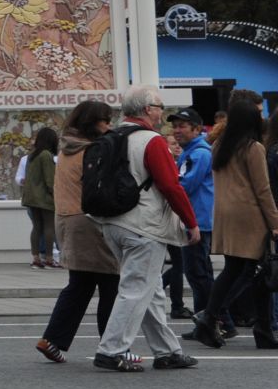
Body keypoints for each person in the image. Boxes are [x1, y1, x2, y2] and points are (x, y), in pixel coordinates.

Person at [89, 86, 200, 372]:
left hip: (113, 222)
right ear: (147, 109)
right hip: (144, 226)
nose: (162, 111)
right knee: (137, 289)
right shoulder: (151, 141)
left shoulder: (112, 137)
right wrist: (190, 221)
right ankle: (111, 349)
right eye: (159, 106)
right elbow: (170, 185)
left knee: (149, 291)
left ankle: (167, 351)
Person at [184, 90, 278, 349]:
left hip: (225, 213)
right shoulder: (253, 147)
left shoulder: (219, 146)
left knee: (237, 269)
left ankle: (224, 320)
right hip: (250, 215)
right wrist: (275, 223)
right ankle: (216, 317)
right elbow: (262, 189)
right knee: (251, 271)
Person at [36, 100, 121, 363]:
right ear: (93, 122)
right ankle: (111, 345)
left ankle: (52, 339)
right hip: (89, 221)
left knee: (80, 285)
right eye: (105, 121)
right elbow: (99, 189)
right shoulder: (91, 150)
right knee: (111, 283)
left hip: (67, 219)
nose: (109, 126)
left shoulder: (67, 148)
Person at [164, 109, 214, 320]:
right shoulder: (191, 152)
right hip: (194, 219)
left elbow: (185, 185)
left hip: (197, 221)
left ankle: (216, 319)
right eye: (175, 126)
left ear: (196, 129)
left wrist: (165, 188)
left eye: (182, 126)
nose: (177, 131)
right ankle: (207, 321)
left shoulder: (199, 153)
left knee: (197, 274)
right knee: (199, 273)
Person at [21, 127, 60, 270]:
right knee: (50, 227)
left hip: (31, 197)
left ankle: (36, 258)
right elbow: (50, 180)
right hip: (44, 197)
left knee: (36, 227)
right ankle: (49, 259)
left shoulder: (32, 155)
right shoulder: (46, 155)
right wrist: (55, 195)